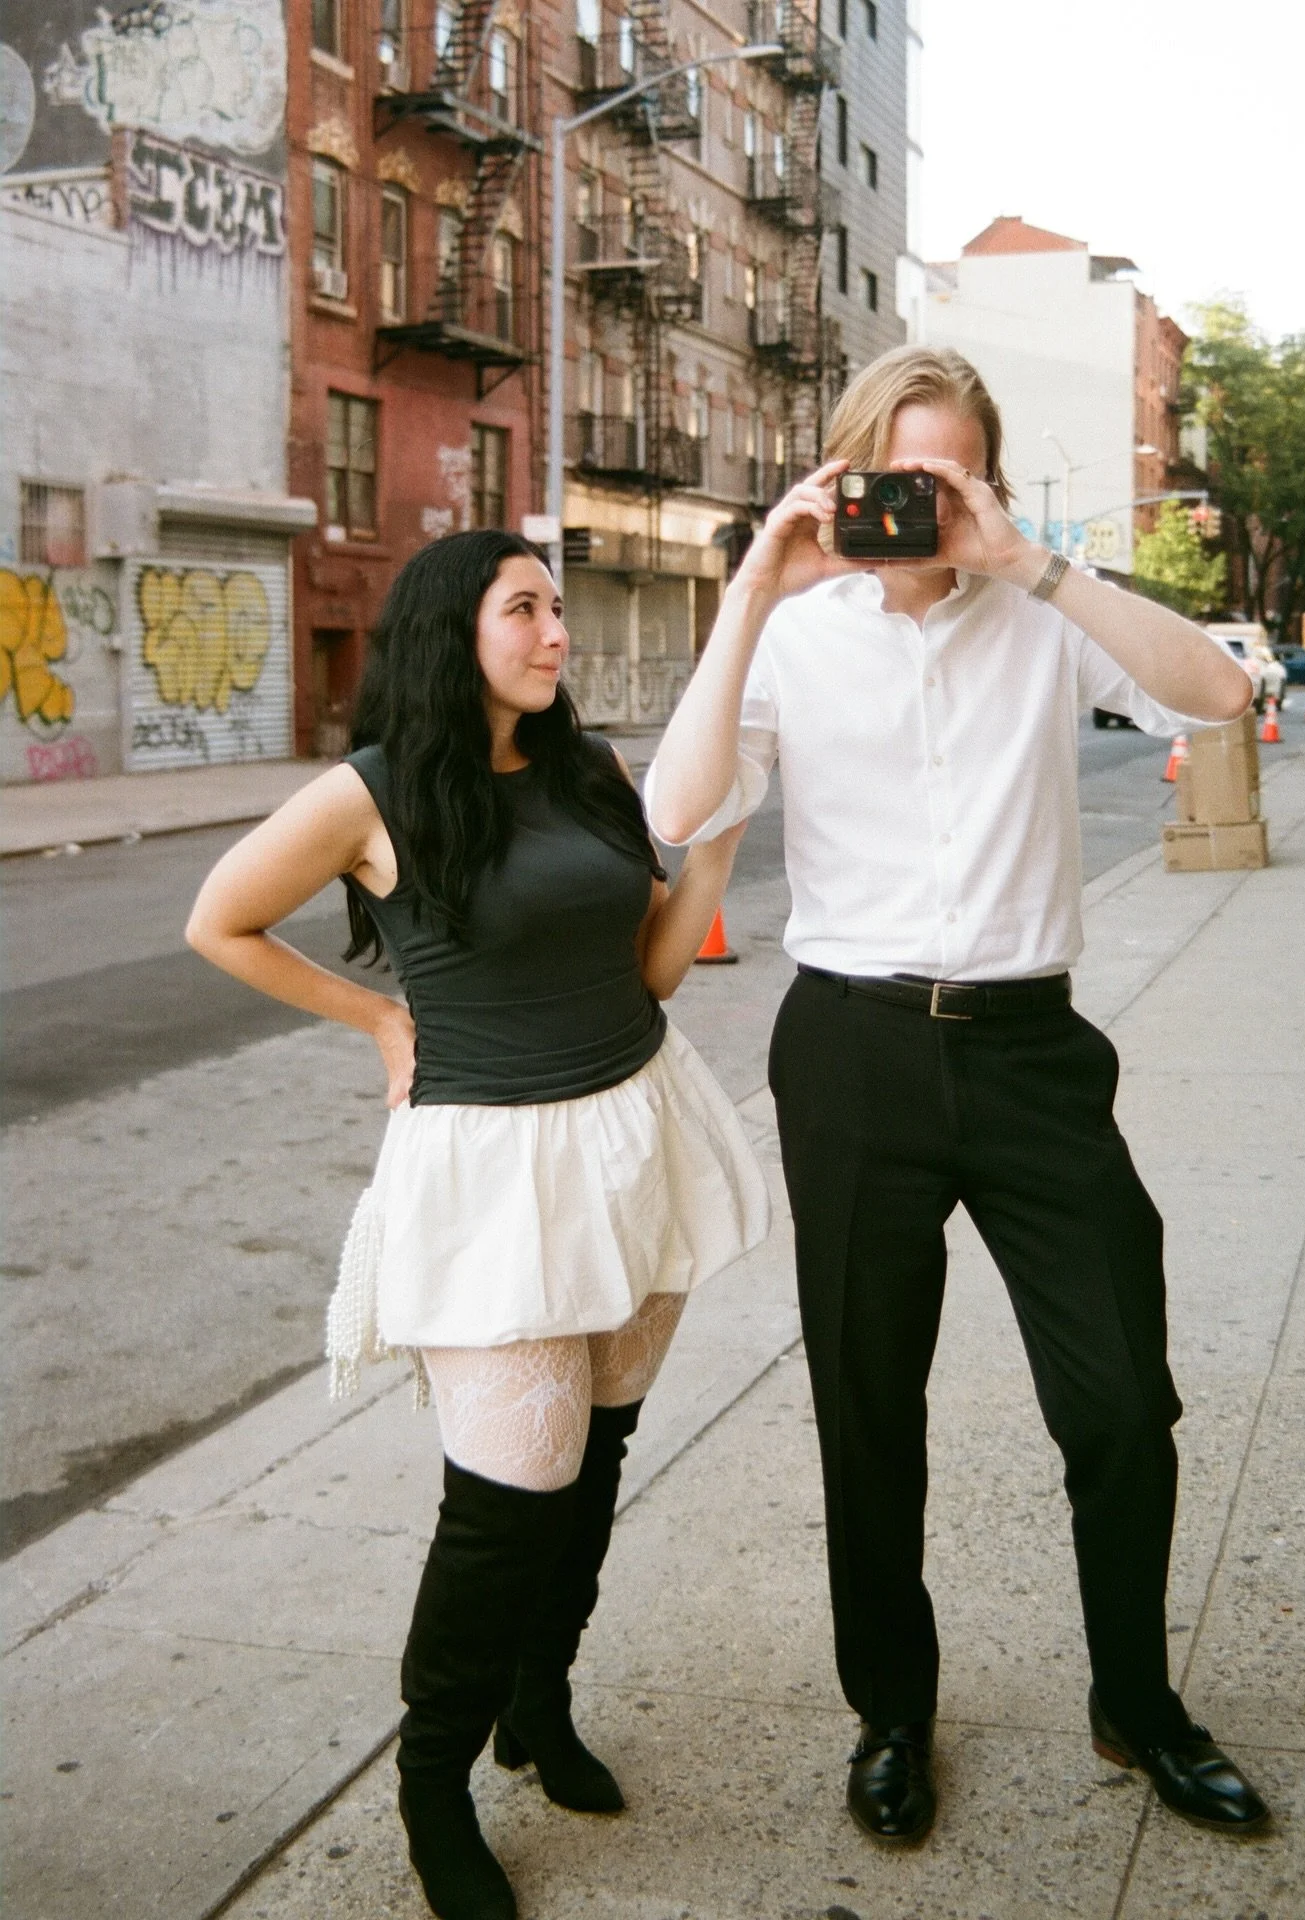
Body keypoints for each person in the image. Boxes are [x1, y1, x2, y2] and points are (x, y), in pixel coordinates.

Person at [645, 345, 1272, 1846]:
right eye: (897, 473)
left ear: (979, 476)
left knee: (1122, 1396)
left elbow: (1227, 698)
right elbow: (678, 811)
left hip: (1032, 1057)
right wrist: (751, 588)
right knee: (870, 1410)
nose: (921, 505)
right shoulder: (795, 634)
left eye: (951, 475)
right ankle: (892, 1715)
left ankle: (1138, 1700)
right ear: (848, 469)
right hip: (853, 1053)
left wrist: (1034, 563)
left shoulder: (1043, 616)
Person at [186, 530, 770, 1920]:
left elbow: (654, 968)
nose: (556, 633)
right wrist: (381, 1014)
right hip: (490, 1176)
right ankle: (433, 1783)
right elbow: (220, 921)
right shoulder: (368, 794)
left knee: (599, 1460)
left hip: (634, 1135)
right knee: (506, 1503)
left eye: (559, 608)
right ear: (456, 630)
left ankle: (540, 1705)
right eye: (527, 609)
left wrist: (720, 843)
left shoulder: (587, 770)